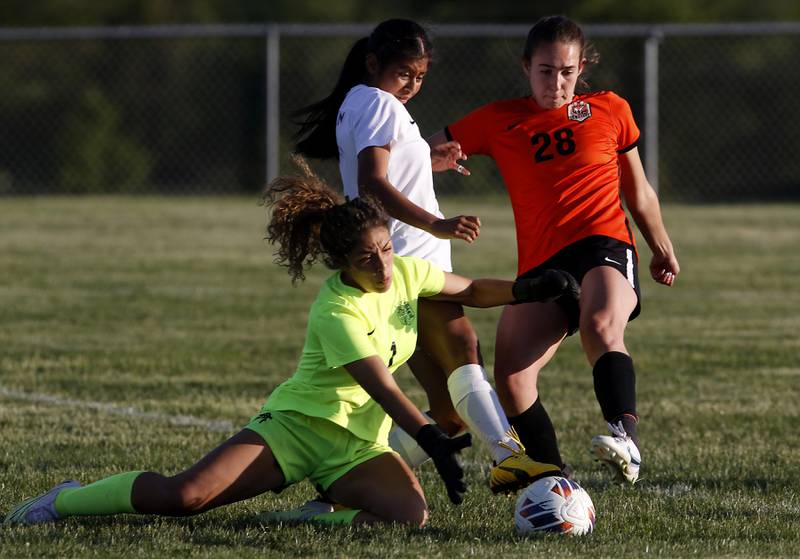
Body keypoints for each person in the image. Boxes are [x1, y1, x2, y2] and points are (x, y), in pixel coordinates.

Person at [4, 159, 577, 527]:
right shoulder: (336, 309)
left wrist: (528, 287)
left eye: (384, 249)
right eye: (365, 259)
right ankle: (65, 499)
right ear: (339, 264)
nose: (381, 267)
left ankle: (295, 518)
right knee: (185, 498)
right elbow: (380, 386)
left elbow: (472, 287)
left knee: (409, 517)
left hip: (357, 447)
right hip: (297, 430)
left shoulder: (404, 272)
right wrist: (428, 434)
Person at [292, 18, 563, 493]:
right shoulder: (378, 102)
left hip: (394, 261)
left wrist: (426, 161)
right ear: (374, 64)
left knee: (447, 414)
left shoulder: (364, 100)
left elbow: (384, 171)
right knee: (464, 349)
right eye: (404, 74)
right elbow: (374, 181)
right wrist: (437, 224)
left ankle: (345, 486)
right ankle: (508, 457)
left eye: (420, 77)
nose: (413, 85)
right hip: (411, 258)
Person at [428, 15, 680, 485]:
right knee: (511, 376)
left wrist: (661, 247)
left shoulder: (609, 109)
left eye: (567, 71)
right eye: (546, 71)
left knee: (600, 323)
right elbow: (418, 154)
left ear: (581, 68)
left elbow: (639, 191)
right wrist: (429, 159)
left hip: (603, 242)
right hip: (544, 264)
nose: (557, 82)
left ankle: (625, 438)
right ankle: (552, 477)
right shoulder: (498, 119)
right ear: (526, 67)